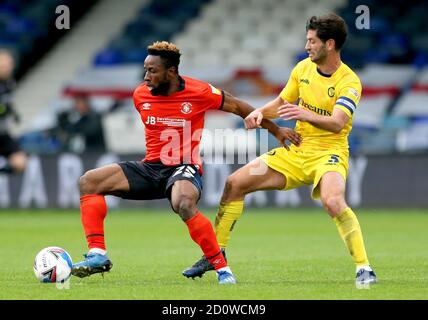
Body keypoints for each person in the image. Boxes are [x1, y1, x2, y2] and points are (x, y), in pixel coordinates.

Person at [71, 41, 301, 284]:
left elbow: (238, 106)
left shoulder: (199, 92)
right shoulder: (140, 94)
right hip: (151, 167)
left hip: (184, 166)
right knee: (89, 182)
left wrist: (275, 130)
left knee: (183, 203)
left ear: (171, 72)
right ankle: (97, 254)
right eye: (145, 70)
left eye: (152, 70)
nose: (146, 76)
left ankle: (223, 269)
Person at [183, 13, 377, 289]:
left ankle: (363, 267)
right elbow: (281, 103)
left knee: (333, 201)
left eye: (312, 41)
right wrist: (260, 113)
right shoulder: (302, 69)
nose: (307, 45)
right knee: (234, 183)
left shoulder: (349, 81)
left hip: (329, 154)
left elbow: (337, 123)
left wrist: (304, 113)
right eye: (307, 40)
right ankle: (215, 254)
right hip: (296, 150)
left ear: (330, 44)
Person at [0, 50, 27, 174]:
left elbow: (8, 103)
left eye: (10, 64)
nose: (9, 68)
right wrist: (3, 110)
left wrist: (13, 113)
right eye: (5, 65)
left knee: (20, 162)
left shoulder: (10, 82)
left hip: (3, 134)